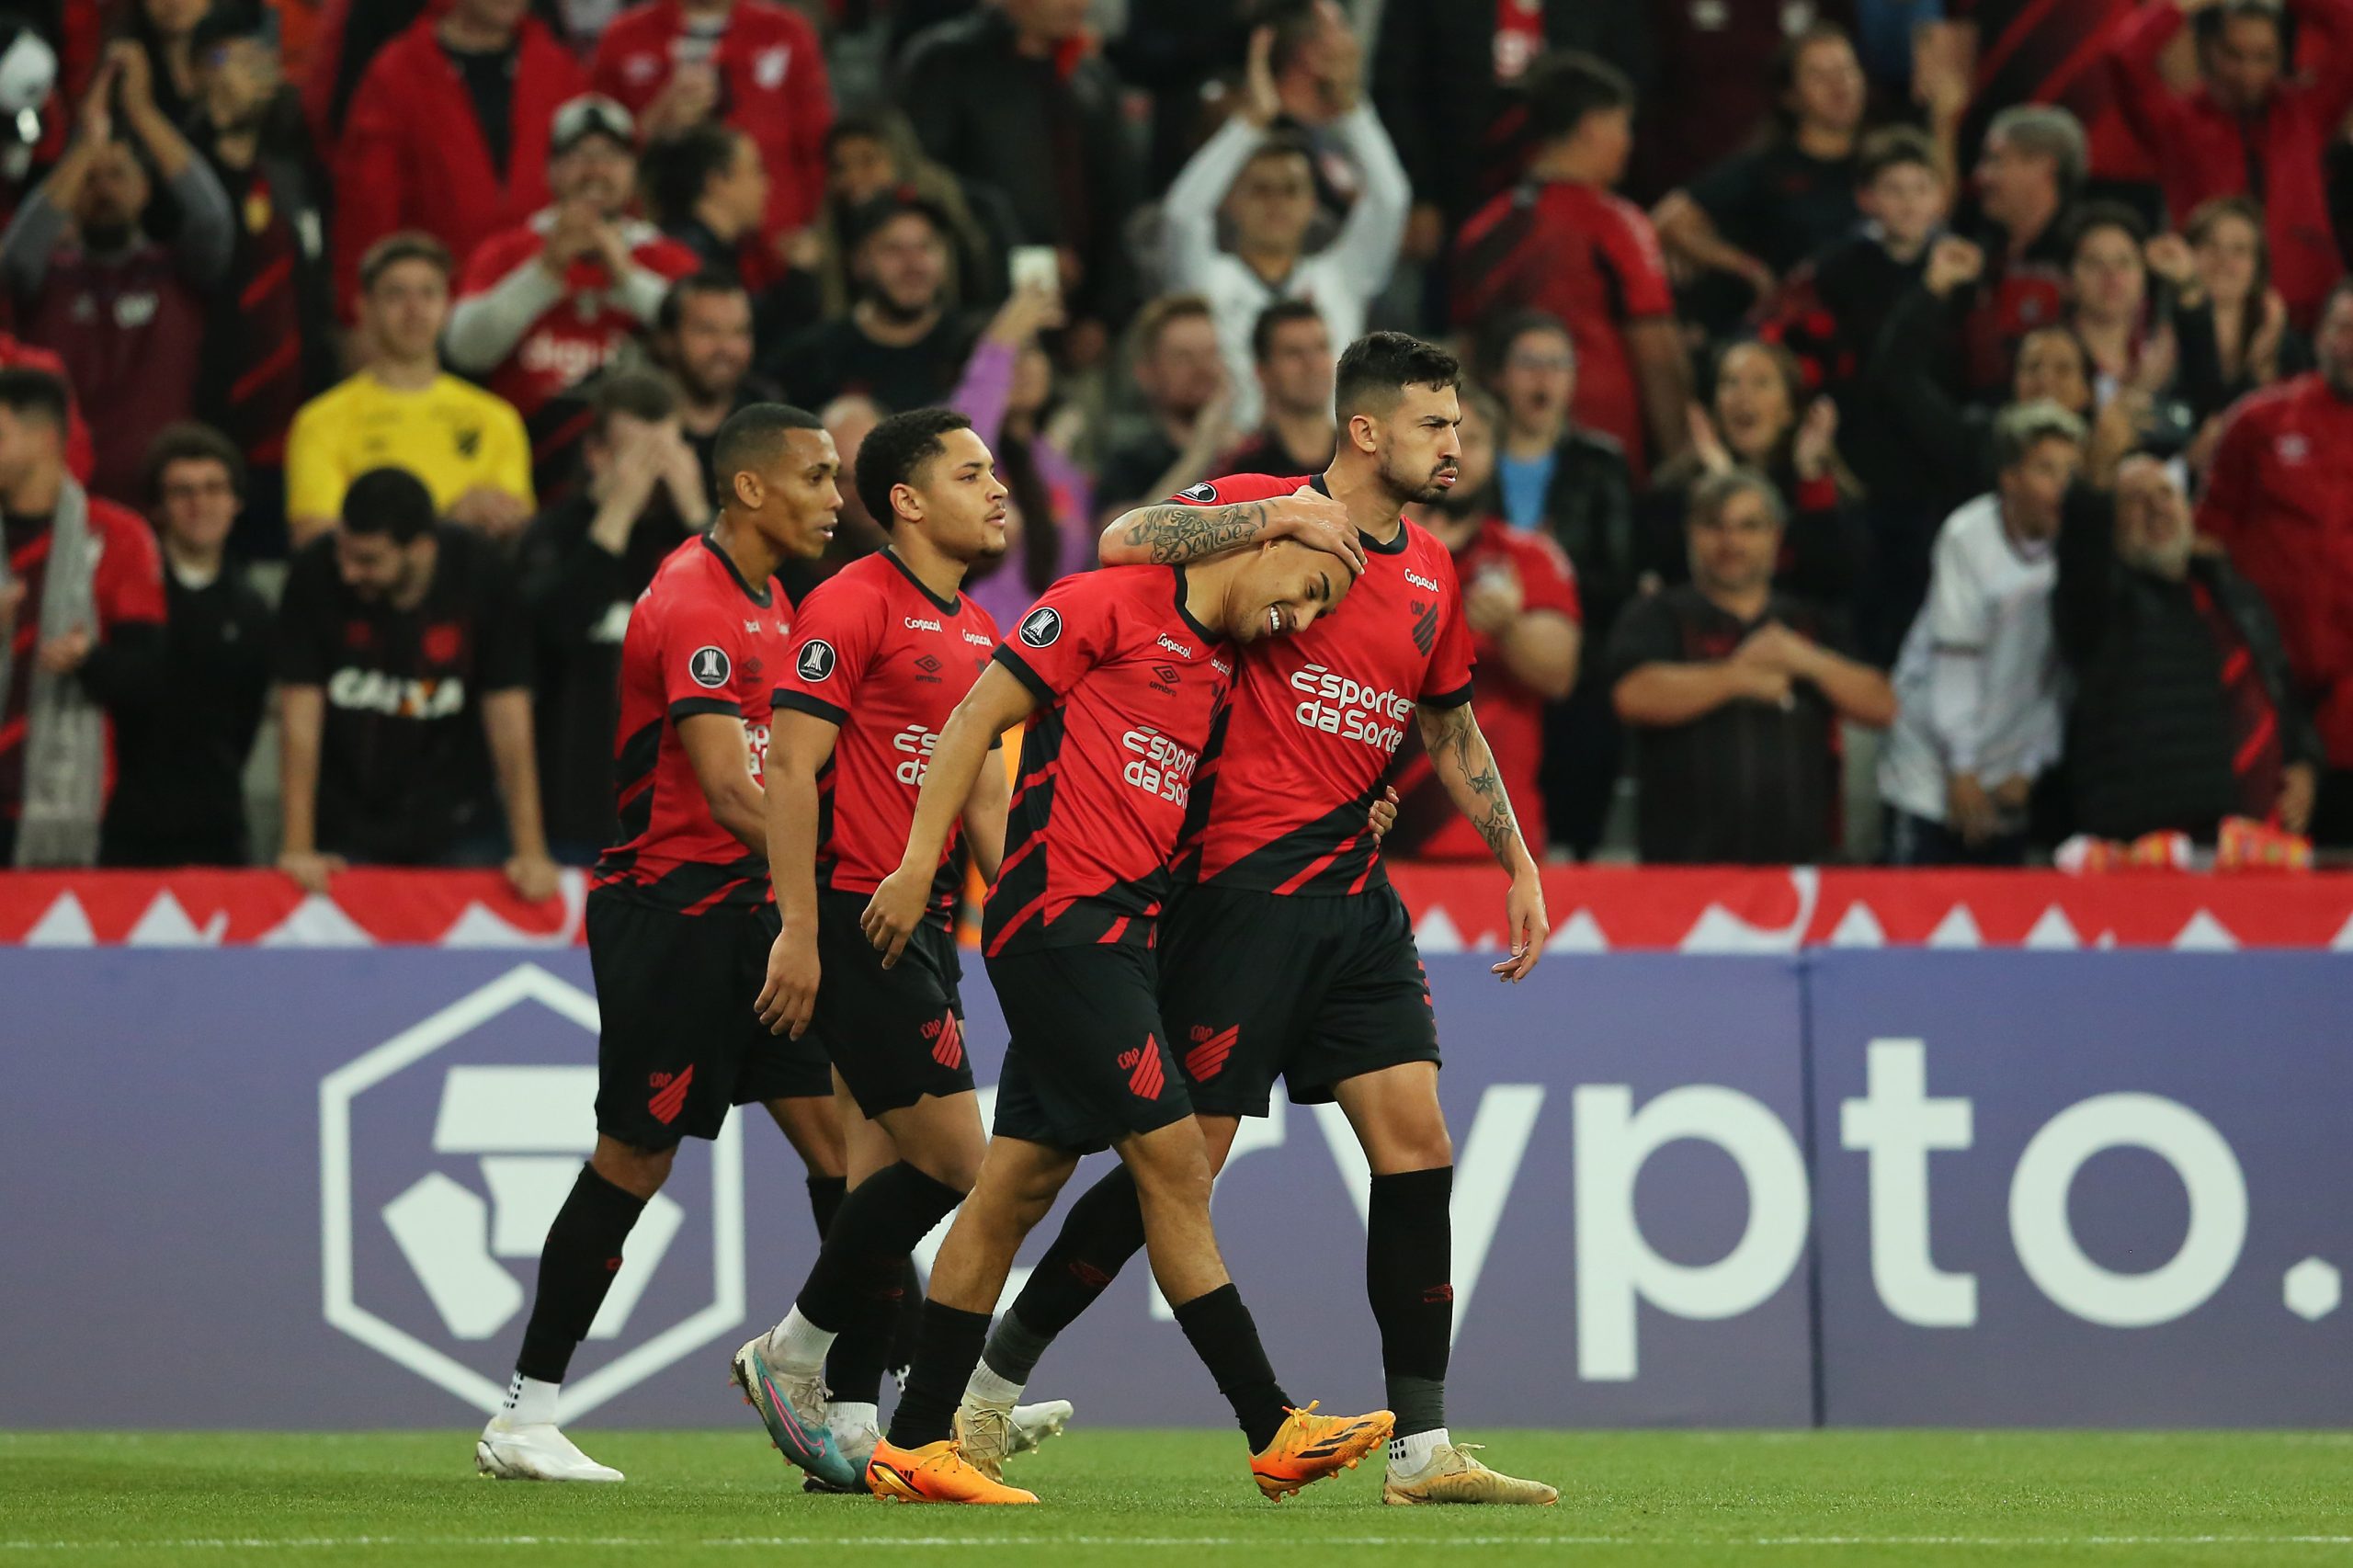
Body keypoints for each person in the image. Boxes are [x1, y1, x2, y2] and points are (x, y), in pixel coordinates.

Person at [982, 334, 1560, 1507]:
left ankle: (1422, 1449)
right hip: (1234, 891)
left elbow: (1445, 725)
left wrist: (1517, 858)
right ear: (1365, 430)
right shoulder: (1265, 504)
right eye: (1434, 423)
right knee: (1177, 1170)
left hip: (1353, 896)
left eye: (1458, 424)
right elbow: (1122, 541)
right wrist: (1266, 529)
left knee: (1418, 1142)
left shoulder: (1434, 574)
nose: (1454, 442)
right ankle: (993, 1380)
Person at [853, 458, 1381, 1510]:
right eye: (1305, 590)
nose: (1294, 619)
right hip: (1061, 926)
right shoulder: (1099, 603)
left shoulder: (1219, 672)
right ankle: (1271, 1423)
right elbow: (968, 723)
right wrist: (919, 867)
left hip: (1117, 937)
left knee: (1012, 1192)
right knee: (1175, 1166)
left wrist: (1350, 821)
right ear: (1265, 542)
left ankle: (913, 1441)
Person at [476, 403, 850, 1483]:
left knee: (843, 1148)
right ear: (747, 488)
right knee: (636, 1153)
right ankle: (525, 1410)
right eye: (816, 477)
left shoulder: (775, 599)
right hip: (674, 913)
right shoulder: (694, 600)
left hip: (751, 913)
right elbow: (733, 790)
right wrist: (821, 893)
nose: (835, 498)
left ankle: (878, 1402)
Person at [738, 407, 1070, 1489]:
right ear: (909, 501)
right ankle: (790, 1349)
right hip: (850, 912)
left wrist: (1042, 923)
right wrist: (796, 928)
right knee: (955, 1163)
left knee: (876, 1166)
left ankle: (844, 1414)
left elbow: (987, 814)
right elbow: (788, 770)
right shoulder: (849, 602)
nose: (998, 488)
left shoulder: (978, 631)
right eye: (972, 473)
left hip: (922, 924)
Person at [276, 465, 556, 896]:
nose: (349, 572)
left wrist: (531, 852)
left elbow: (509, 719)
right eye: (344, 554)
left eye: (367, 560)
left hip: (459, 823)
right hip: (348, 824)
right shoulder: (315, 574)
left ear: (421, 548)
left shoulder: (483, 574)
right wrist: (297, 845)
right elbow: (298, 716)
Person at [1610, 468, 1893, 865]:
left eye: (1749, 527)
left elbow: (1882, 705)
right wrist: (1737, 678)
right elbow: (1633, 696)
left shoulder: (1808, 623)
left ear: (1776, 536)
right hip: (1683, 872)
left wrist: (1806, 661)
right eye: (1715, 526)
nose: (1732, 542)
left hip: (1804, 878)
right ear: (1691, 533)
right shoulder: (1657, 614)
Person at [0, 40, 233, 505]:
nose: (103, 189)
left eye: (118, 176)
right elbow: (14, 262)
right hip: (61, 497)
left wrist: (143, 113)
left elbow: (212, 221)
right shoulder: (50, 276)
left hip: (165, 498)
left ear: (147, 188)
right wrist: (87, 145)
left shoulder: (177, 271)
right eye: (90, 178)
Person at [446, 96, 700, 505]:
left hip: (652, 471)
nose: (596, 170)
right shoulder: (506, 252)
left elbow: (708, 344)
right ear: (551, 170)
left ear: (633, 171)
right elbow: (464, 350)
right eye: (580, 156)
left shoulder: (666, 257)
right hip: (530, 464)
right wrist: (544, 274)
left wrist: (626, 278)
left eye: (611, 157)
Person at [1157, 19, 1407, 432]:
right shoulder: (1207, 280)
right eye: (1260, 190)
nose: (1276, 204)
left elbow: (1390, 199)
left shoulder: (1340, 276)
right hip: (1236, 463)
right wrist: (1250, 122)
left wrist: (1352, 108)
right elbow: (1181, 215)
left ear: (1312, 204)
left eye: (1291, 190)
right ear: (1232, 202)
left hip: (1324, 465)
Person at [1452, 51, 1687, 484]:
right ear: (1591, 127)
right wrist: (1681, 458)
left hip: (1494, 461)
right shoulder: (1617, 225)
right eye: (1622, 126)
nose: (1628, 142)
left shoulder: (1481, 230)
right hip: (1601, 459)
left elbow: (1464, 352)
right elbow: (1657, 354)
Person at [2058, 455, 2319, 842]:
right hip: (2153, 851)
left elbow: (2283, 695)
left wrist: (2306, 765)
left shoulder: (2235, 595)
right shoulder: (2102, 607)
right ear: (2109, 524)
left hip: (2259, 845)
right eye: (2134, 499)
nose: (2156, 507)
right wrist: (2094, 483)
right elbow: (2082, 554)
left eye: (2166, 494)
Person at [1880, 402, 2085, 866]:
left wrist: (2031, 766)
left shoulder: (2079, 547)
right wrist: (1962, 769)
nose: (2062, 486)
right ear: (2009, 477)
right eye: (2046, 469)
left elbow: (2064, 670)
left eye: (2072, 470)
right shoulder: (1967, 537)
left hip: (2006, 777)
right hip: (1930, 771)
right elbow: (1955, 658)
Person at [517, 372, 710, 863]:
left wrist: (696, 514)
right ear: (596, 454)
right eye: (637, 456)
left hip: (684, 820)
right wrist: (617, 513)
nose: (652, 475)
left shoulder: (697, 543)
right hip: (574, 809)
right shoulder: (554, 534)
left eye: (664, 456)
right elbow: (555, 629)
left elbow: (742, 625)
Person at [1385, 388, 1581, 860]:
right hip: (1370, 839)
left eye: (1471, 439)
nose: (1454, 451)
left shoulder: (1526, 557)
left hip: (1489, 845)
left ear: (1496, 455)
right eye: (1434, 431)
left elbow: (1559, 673)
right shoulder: (1357, 552)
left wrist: (1510, 628)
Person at [897, 0, 1140, 362]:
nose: (1079, 4)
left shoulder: (1091, 74)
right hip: (977, 310)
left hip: (1081, 313)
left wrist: (1104, 313)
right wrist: (1027, 258)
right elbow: (927, 184)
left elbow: (1119, 198)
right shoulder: (946, 62)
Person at [2198, 279, 2353, 842]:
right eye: (2343, 328)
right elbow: (2206, 544)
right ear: (2319, 337)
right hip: (2264, 690)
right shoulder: (2259, 422)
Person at [1483, 308, 1636, 859]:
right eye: (1528, 364)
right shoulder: (1468, 457)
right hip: (1483, 662)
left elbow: (1616, 579)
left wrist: (1539, 580)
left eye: (1557, 365)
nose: (1543, 378)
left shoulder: (1601, 463)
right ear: (1499, 376)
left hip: (1574, 663)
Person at [188, 0, 337, 553]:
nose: (252, 72)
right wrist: (219, 130)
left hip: (300, 417)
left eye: (262, 58)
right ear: (197, 70)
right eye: (232, 57)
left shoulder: (297, 164)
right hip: (209, 418)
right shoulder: (176, 159)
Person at [0, 369, 165, 868]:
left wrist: (87, 659)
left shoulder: (120, 536)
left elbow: (149, 676)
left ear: (45, 438)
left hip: (76, 800)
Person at [2104, 0, 2353, 329]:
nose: (2249, 72)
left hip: (2307, 312)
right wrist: (2182, 6)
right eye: (2235, 55)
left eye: (2263, 57)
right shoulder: (2177, 125)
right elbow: (2124, 57)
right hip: (2207, 311)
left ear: (2281, 57)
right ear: (2209, 52)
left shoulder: (2307, 113)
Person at [332, 0, 587, 318]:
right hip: (431, 316)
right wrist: (357, 315)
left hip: (546, 312)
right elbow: (366, 211)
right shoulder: (397, 73)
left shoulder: (558, 67)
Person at [284, 233, 534, 548]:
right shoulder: (321, 420)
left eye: (428, 294)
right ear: (364, 309)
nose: (414, 309)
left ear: (447, 308)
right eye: (396, 295)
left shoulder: (497, 418)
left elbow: (519, 526)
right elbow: (314, 541)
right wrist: (448, 522)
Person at [101, 425, 271, 869]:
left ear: (236, 503)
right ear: (158, 508)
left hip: (216, 825)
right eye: (182, 492)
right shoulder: (125, 594)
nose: (200, 504)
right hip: (126, 824)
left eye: (214, 489)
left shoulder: (254, 610)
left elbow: (246, 721)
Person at [1653, 23, 1869, 333]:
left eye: (1847, 70)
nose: (1840, 86)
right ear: (1790, 96)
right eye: (1819, 76)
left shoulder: (1881, 158)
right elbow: (1668, 220)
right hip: (1795, 332)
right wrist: (1747, 269)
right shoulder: (1766, 166)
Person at [589, 0, 832, 248]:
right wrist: (655, 122)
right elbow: (595, 150)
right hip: (657, 239)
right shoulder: (623, 38)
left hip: (771, 247)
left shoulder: (784, 31)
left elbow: (815, 143)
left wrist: (803, 222)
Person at [1650, 340, 1864, 619]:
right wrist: (1722, 483)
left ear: (1789, 410)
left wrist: (1811, 476)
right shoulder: (1674, 490)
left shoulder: (1826, 492)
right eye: (1730, 383)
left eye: (1761, 383)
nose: (1743, 396)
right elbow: (1676, 582)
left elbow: (1831, 584)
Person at [1756, 126, 1951, 415]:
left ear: (1940, 196)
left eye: (1921, 189)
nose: (1909, 203)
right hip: (1861, 414)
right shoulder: (1834, 269)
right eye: (1894, 189)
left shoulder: (1963, 265)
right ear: (1865, 197)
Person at [950, 283, 1096, 631]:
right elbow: (967, 426)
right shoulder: (963, 451)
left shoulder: (1060, 469)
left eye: (1032, 351)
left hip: (1056, 654)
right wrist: (1001, 340)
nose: (1022, 365)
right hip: (983, 654)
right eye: (1011, 355)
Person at [766, 194, 978, 417]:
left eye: (925, 247)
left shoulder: (974, 347)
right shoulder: (814, 357)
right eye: (893, 250)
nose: (914, 264)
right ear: (860, 262)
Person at [2155, 197, 2312, 435]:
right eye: (2210, 245)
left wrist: (2264, 352)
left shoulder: (2285, 346)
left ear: (2258, 266)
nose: (2223, 260)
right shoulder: (2164, 332)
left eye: (2239, 250)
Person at [1092, 292, 1233, 525]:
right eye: (1182, 357)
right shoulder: (1127, 463)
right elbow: (1126, 534)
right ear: (1146, 373)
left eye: (1210, 354)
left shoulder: (1251, 453)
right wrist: (1201, 452)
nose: (1202, 369)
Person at [653, 272, 772, 488]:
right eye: (707, 331)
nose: (726, 348)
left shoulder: (769, 420)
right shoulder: (635, 421)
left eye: (739, 332)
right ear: (666, 340)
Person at [1219, 301, 1337, 481]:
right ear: (1263, 372)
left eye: (1321, 348)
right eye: (1293, 353)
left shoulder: (1367, 457)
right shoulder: (1243, 470)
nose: (1312, 364)